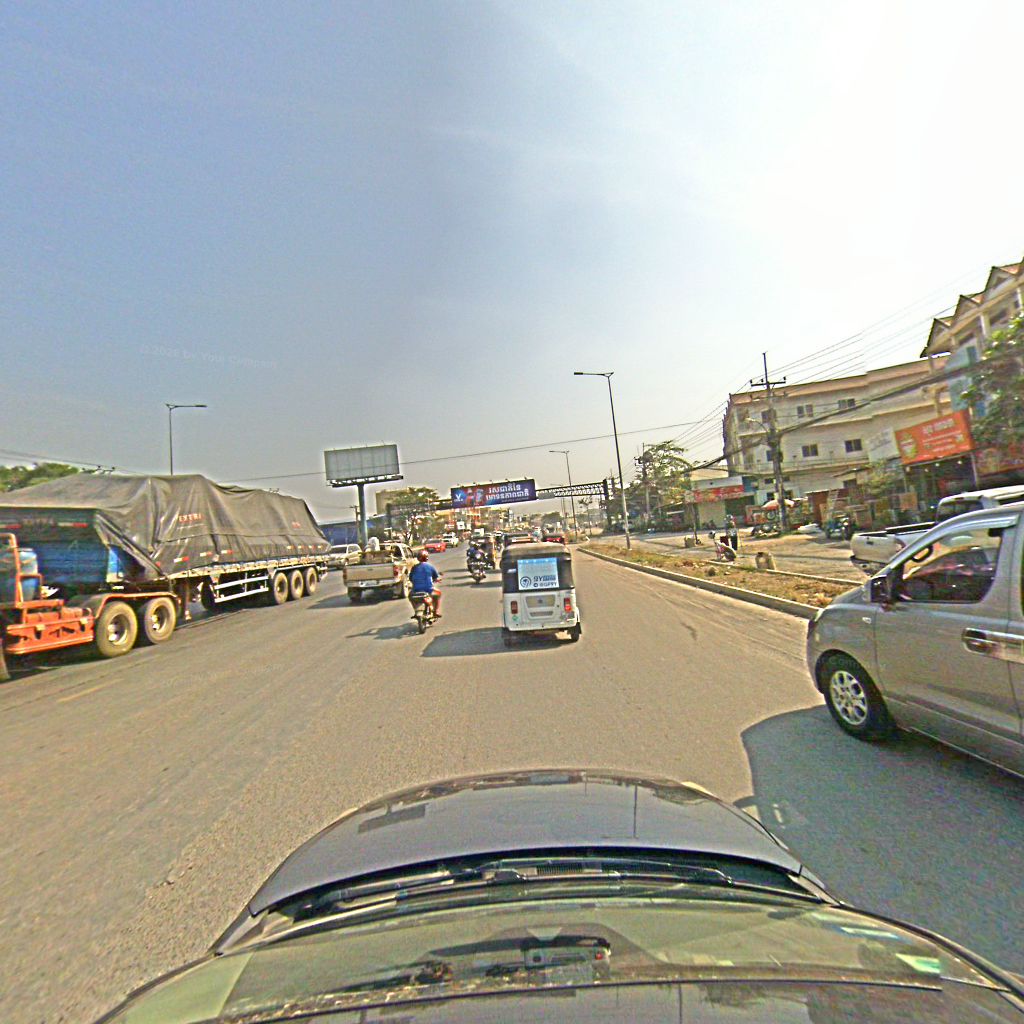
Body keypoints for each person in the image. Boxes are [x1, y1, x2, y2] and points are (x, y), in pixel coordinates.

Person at [409, 549, 443, 618]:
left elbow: (411, 578)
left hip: (416, 590)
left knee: (410, 596)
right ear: (426, 558)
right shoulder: (430, 566)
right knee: (438, 593)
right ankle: (436, 611)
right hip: (428, 589)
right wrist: (437, 579)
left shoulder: (414, 568)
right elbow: (436, 577)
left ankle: (416, 611)